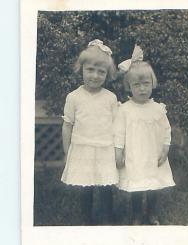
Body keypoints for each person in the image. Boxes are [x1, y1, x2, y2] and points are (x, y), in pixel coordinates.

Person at [114, 45, 175, 225]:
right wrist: (118, 153)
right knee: (137, 187)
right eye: (137, 85)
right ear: (129, 86)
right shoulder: (124, 110)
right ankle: (137, 214)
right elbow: (118, 133)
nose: (142, 89)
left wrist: (165, 149)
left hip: (153, 155)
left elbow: (166, 130)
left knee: (153, 186)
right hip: (134, 156)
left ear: (152, 83)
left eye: (146, 84)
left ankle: (152, 213)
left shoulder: (158, 108)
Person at [61, 39, 118, 225]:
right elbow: (68, 125)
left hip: (104, 148)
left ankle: (107, 220)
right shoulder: (74, 97)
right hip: (82, 148)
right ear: (82, 68)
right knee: (85, 187)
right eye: (90, 70)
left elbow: (117, 126)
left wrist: (118, 150)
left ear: (107, 74)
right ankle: (86, 221)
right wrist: (67, 151)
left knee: (106, 187)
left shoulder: (110, 98)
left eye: (101, 72)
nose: (95, 76)